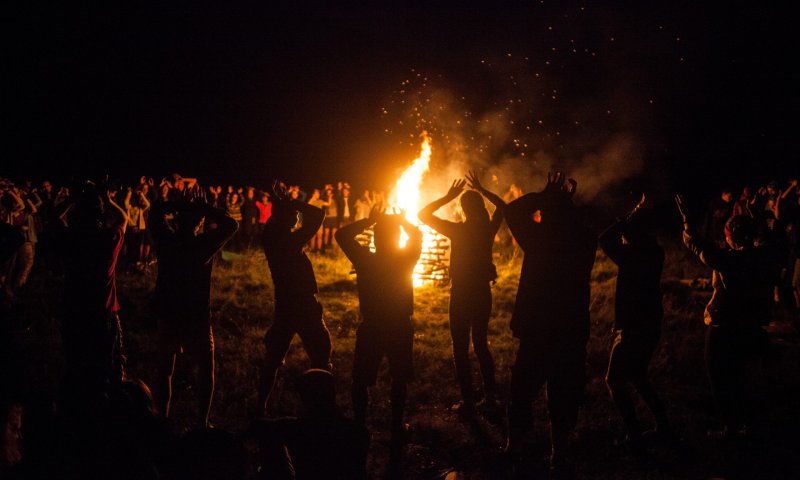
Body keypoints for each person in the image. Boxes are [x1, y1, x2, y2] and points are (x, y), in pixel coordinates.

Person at [503, 172, 596, 477]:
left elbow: (512, 210)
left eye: (544, 211)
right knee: (564, 391)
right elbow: (582, 220)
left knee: (522, 391)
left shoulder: (540, 240)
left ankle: (515, 447)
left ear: (548, 214)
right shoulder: (584, 241)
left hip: (539, 329)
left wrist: (544, 194)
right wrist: (562, 202)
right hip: (570, 330)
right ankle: (559, 453)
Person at [677, 195, 782, 438]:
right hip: (751, 327)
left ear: (730, 237)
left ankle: (731, 428)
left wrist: (687, 223)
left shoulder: (732, 261)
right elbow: (772, 239)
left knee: (721, 378)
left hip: (725, 328)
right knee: (739, 376)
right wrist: (756, 217)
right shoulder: (761, 256)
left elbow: (698, 246)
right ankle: (748, 424)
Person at [335, 205, 422, 459]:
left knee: (361, 379)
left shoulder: (365, 259)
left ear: (375, 238)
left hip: (372, 324)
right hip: (398, 324)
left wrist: (370, 221)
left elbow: (341, 235)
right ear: (397, 238)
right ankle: (396, 426)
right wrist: (402, 220)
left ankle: (360, 424)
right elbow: (417, 237)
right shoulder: (405, 258)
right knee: (399, 377)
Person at [418, 171, 504, 418]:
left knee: (460, 347)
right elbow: (503, 206)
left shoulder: (457, 230)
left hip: (462, 293)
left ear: (464, 210)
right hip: (481, 292)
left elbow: (422, 215)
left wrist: (448, 196)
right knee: (480, 343)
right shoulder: (487, 230)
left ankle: (468, 400)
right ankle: (489, 397)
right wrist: (483, 190)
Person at [150, 200, 238, 427]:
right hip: (196, 314)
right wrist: (204, 208)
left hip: (168, 311)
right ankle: (202, 421)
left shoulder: (166, 241)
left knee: (165, 367)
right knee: (206, 366)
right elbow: (231, 225)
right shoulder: (202, 246)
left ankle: (162, 418)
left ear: (178, 219)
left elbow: (155, 213)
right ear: (199, 223)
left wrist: (176, 203)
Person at [599, 194, 672, 450]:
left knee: (614, 380)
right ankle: (663, 425)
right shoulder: (653, 250)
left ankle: (635, 435)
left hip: (634, 327)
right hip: (649, 323)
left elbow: (604, 238)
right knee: (638, 376)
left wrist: (628, 215)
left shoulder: (633, 255)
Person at [257, 181, 332, 416]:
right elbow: (318, 214)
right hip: (303, 306)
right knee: (321, 359)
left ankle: (260, 407)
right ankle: (324, 410)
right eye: (293, 214)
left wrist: (285, 205)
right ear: (283, 217)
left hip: (285, 306)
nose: (297, 217)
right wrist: (293, 202)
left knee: (273, 360)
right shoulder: (288, 241)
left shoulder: (272, 237)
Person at [60, 180, 129, 392]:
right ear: (100, 215)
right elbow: (123, 218)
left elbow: (56, 218)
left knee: (77, 361)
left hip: (75, 310)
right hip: (104, 311)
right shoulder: (109, 239)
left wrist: (72, 199)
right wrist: (108, 199)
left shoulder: (71, 239)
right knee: (107, 362)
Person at [250, 369, 369, 480]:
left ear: (307, 399)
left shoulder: (296, 429)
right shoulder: (359, 432)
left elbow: (258, 427)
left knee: (269, 436)